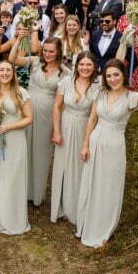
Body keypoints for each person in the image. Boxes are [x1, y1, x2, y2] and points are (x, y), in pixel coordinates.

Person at [77, 59, 138, 248]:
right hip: (96, 142)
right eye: (109, 75)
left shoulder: (131, 97)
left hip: (114, 146)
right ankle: (87, 223)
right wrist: (85, 144)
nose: (112, 79)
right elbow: (91, 120)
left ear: (123, 75)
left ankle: (103, 228)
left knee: (109, 186)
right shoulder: (101, 93)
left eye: (116, 75)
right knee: (92, 183)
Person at [10, 32, 67, 207]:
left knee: (41, 155)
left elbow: (63, 101)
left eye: (51, 51)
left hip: (47, 117)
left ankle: (37, 195)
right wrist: (19, 39)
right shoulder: (35, 62)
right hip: (27, 112)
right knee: (24, 150)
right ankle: (22, 191)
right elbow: (13, 59)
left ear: (58, 52)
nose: (48, 54)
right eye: (46, 51)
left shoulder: (66, 73)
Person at [0, 60, 34, 235]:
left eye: (8, 70)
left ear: (13, 73)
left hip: (15, 138)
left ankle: (13, 216)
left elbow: (29, 118)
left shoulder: (21, 92)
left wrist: (7, 127)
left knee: (12, 176)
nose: (4, 73)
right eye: (1, 70)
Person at [50, 52, 100, 224]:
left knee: (79, 167)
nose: (85, 68)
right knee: (61, 167)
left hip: (85, 128)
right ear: (76, 66)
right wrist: (56, 131)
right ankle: (60, 207)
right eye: (82, 64)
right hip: (65, 125)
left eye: (89, 65)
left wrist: (88, 140)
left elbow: (95, 116)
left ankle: (76, 209)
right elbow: (57, 107)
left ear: (94, 67)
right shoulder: (66, 82)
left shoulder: (98, 87)